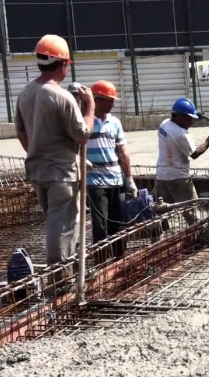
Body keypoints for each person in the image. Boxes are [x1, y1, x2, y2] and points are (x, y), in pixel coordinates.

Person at [15, 34, 94, 275]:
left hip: (38, 170)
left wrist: (39, 152)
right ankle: (60, 280)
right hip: (61, 172)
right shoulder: (62, 96)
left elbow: (21, 134)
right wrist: (89, 107)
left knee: (59, 222)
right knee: (61, 227)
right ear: (63, 64)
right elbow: (82, 136)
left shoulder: (25, 93)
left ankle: (70, 271)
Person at [84, 80, 137, 263]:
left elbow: (123, 152)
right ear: (96, 100)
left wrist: (129, 178)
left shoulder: (114, 123)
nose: (112, 104)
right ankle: (100, 261)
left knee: (118, 221)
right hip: (94, 182)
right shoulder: (85, 122)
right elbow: (74, 146)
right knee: (100, 224)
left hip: (115, 179)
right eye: (109, 100)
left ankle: (119, 259)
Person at [155, 98, 209, 225]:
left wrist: (195, 116)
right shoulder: (181, 134)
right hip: (178, 179)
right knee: (191, 211)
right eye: (189, 118)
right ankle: (198, 235)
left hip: (161, 176)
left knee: (161, 211)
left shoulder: (164, 124)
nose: (192, 121)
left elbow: (182, 123)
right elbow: (194, 154)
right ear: (180, 117)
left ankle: (157, 238)